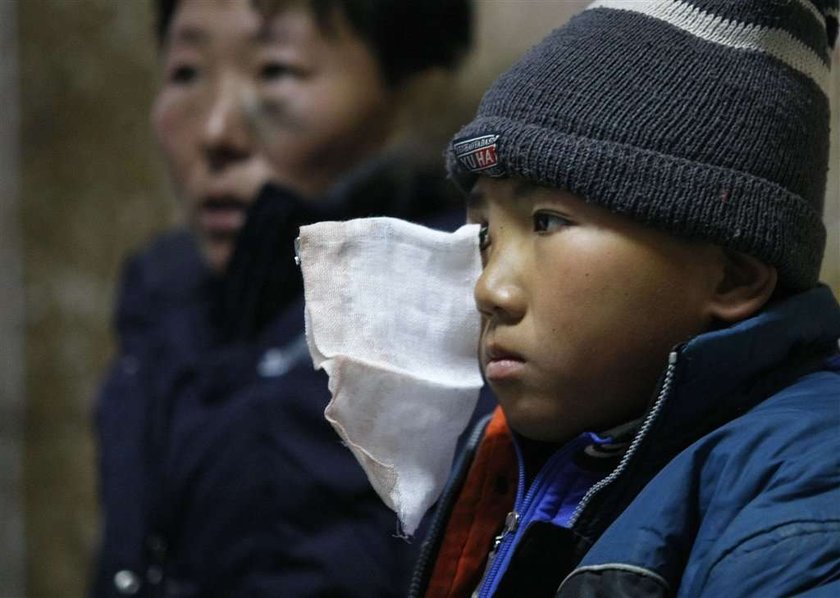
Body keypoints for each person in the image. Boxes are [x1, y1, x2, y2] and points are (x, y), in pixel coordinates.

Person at [408, 1, 840, 596]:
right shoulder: (528, 450)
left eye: (549, 222)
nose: (489, 289)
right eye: (485, 234)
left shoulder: (805, 493)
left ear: (732, 278)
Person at [92, 0, 492, 596]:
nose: (216, 132)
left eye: (276, 71)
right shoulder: (165, 296)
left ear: (409, 88)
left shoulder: (461, 303)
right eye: (186, 73)